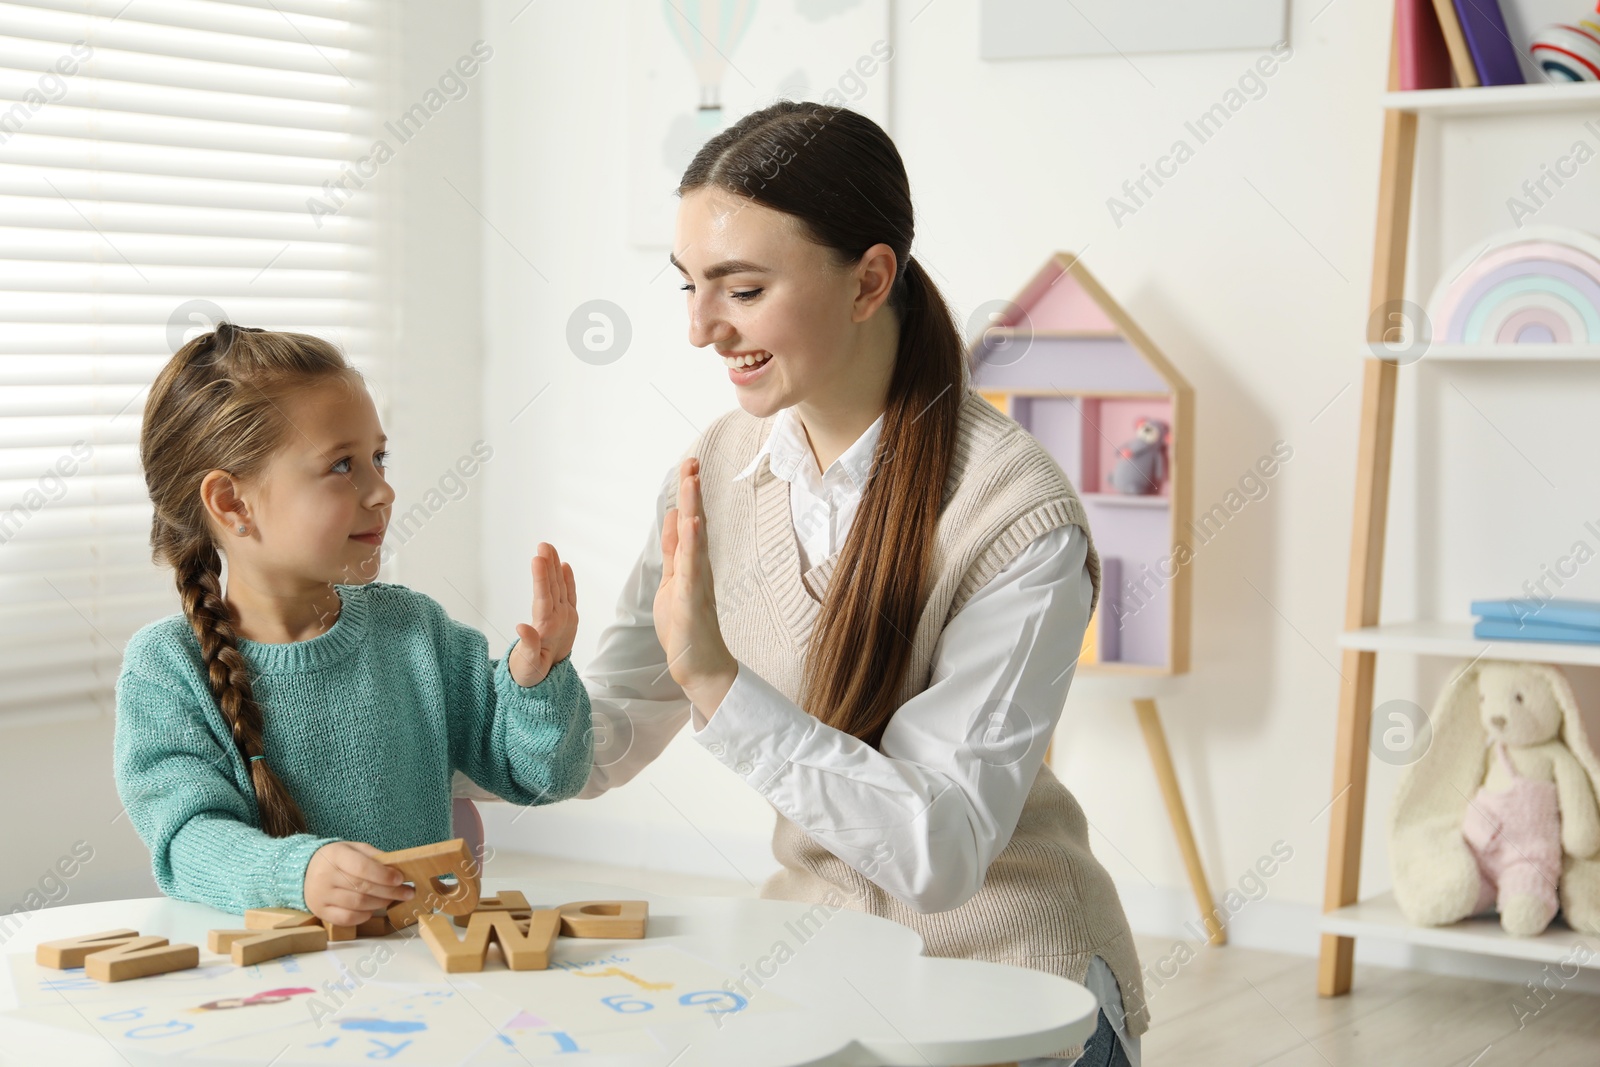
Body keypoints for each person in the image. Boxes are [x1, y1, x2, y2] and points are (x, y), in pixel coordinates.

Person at [573, 101, 1147, 1065]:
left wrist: (718, 685)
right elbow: (610, 725)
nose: (702, 328)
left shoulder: (1014, 515)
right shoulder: (716, 466)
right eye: (689, 287)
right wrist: (469, 716)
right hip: (818, 955)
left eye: (742, 288)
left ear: (869, 279)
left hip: (1009, 973)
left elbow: (943, 851)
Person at [115, 324, 592, 928]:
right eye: (342, 465)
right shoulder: (167, 669)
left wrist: (536, 684)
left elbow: (547, 777)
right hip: (263, 991)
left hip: (418, 977)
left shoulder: (414, 631)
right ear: (232, 504)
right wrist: (301, 875)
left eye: (378, 457)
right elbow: (185, 843)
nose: (383, 491)